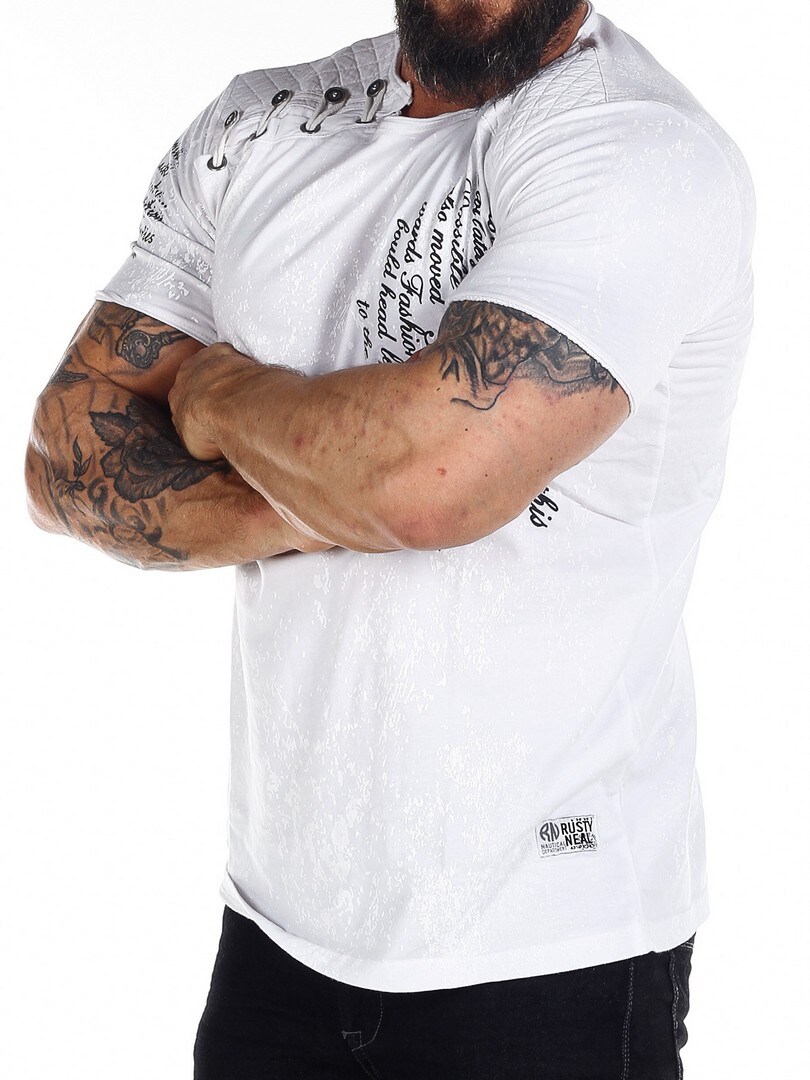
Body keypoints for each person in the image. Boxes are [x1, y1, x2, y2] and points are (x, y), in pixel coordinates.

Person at [25, 0, 755, 1076]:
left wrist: (218, 396)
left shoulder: (641, 150)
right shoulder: (256, 125)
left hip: (548, 951)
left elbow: (425, 480)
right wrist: (335, 494)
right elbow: (62, 454)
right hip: (276, 935)